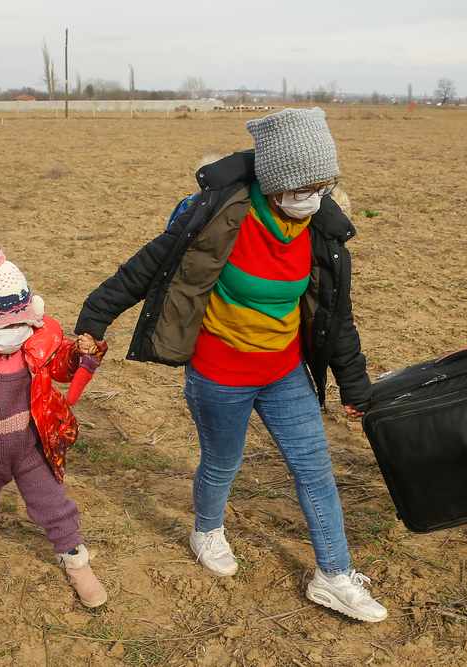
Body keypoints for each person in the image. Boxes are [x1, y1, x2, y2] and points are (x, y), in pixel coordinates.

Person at [75, 107, 387, 623]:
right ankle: (206, 529)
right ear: (278, 182)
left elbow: (337, 317)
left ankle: (333, 576)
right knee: (223, 462)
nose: (315, 196)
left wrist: (354, 386)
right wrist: (94, 320)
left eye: (324, 184)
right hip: (219, 373)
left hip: (285, 372)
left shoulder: (321, 231)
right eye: (306, 185)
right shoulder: (220, 218)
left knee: (315, 471)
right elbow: (143, 269)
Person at [0, 247, 109, 608]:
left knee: (53, 503)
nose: (15, 331)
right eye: (5, 326)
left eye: (21, 322)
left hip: (31, 445)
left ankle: (76, 561)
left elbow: (61, 367)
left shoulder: (36, 345)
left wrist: (78, 353)